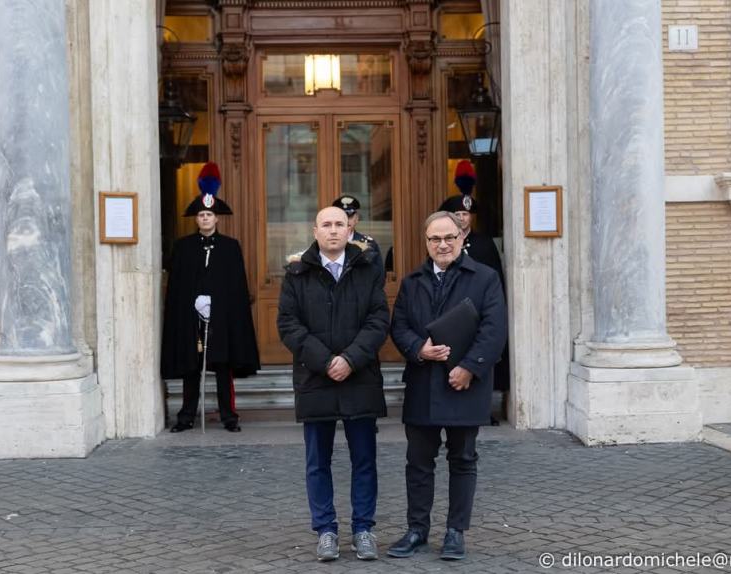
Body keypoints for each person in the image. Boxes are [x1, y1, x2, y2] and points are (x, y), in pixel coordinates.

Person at [388, 211, 507, 561]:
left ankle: (456, 532)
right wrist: (417, 348)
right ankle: (417, 530)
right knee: (418, 461)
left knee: (463, 459)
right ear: (426, 243)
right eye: (435, 239)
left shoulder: (485, 278)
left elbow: (494, 329)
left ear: (461, 237)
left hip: (465, 385)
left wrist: (469, 368)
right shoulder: (412, 282)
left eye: (449, 237)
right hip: (424, 382)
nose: (442, 244)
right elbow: (400, 327)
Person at [277, 206, 390, 562]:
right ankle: (325, 529)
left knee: (364, 459)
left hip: (360, 377)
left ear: (350, 230)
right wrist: (326, 362)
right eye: (326, 225)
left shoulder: (368, 268)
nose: (333, 231)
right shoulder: (297, 272)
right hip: (316, 376)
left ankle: (363, 530)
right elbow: (288, 324)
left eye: (340, 224)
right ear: (315, 231)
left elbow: (377, 319)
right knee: (317, 461)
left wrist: (350, 359)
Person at [161, 162, 260, 433]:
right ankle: (186, 415)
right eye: (201, 214)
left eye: (209, 214)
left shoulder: (230, 247)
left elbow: (235, 286)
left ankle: (229, 416)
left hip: (221, 316)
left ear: (217, 218)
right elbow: (179, 285)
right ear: (196, 218)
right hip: (192, 317)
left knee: (222, 364)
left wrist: (217, 302)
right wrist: (193, 301)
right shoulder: (183, 247)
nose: (205, 218)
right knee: (192, 365)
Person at [438, 160, 509, 421]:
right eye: (457, 214)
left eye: (466, 214)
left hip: (480, 309)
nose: (462, 218)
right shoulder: (442, 242)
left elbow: (496, 276)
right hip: (452, 313)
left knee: (482, 358)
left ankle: (484, 409)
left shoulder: (483, 243)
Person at [332, 194, 385, 277]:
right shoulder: (327, 242)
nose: (346, 220)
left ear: (356, 218)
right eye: (342, 216)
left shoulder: (369, 244)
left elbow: (379, 276)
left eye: (349, 216)